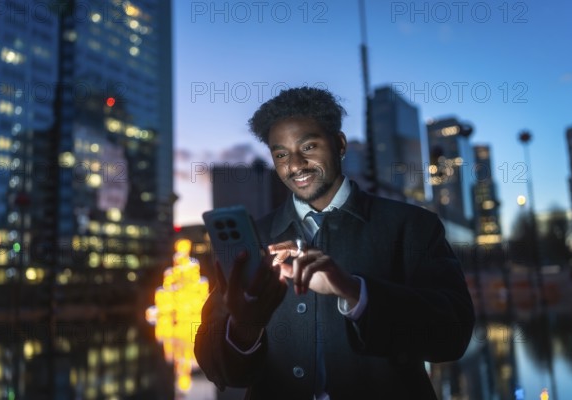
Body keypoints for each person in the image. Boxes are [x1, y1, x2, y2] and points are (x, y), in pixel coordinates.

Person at [195, 87, 475, 399]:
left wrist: (353, 290)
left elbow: (453, 335)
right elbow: (216, 368)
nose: (295, 165)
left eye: (309, 146)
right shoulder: (255, 238)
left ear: (339, 144)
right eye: (281, 154)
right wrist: (246, 324)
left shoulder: (411, 226)